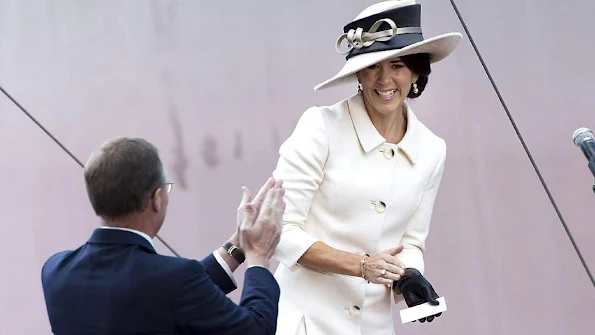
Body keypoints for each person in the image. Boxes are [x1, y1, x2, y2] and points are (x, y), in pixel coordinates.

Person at [270, 1, 462, 334]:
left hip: (372, 326)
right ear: (359, 73)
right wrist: (361, 266)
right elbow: (278, 232)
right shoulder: (321, 127)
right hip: (304, 322)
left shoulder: (432, 150)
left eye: (398, 65)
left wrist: (409, 278)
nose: (385, 79)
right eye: (374, 66)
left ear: (416, 71)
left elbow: (412, 243)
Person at [41, 137, 286, 335]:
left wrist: (238, 246)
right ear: (156, 199)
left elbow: (159, 294)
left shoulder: (55, 271)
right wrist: (258, 257)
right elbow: (256, 329)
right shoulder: (173, 280)